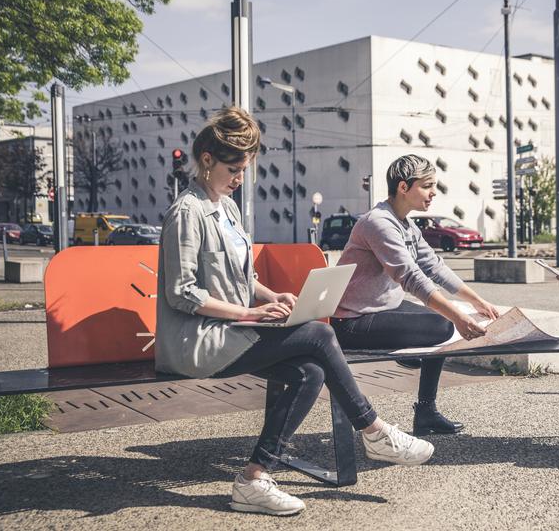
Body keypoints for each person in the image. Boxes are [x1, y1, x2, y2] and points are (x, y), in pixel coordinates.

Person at [156, 107, 434, 517]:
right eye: (233, 169)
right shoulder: (188, 212)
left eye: (245, 170)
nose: (239, 179)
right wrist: (252, 315)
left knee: (311, 371)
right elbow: (182, 294)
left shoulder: (228, 209)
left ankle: (253, 477)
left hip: (231, 332)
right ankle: (374, 432)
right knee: (320, 336)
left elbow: (243, 277)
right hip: (199, 342)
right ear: (207, 160)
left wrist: (275, 295)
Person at [331, 154, 500, 436]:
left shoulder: (406, 225)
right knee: (444, 324)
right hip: (352, 321)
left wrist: (477, 302)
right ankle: (421, 390)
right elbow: (410, 277)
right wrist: (456, 316)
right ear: (403, 187)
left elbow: (434, 267)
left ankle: (426, 414)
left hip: (385, 310)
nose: (434, 192)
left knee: (443, 319)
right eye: (427, 185)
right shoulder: (378, 223)